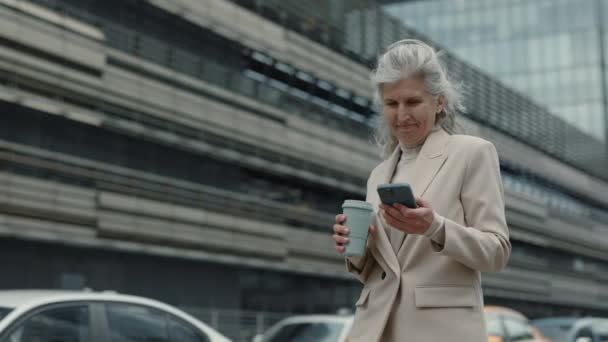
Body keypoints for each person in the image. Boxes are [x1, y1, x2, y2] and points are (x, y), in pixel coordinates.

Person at [332, 39, 511, 342]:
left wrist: (435, 227)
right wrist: (356, 247)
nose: (402, 115)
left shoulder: (472, 153)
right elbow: (380, 272)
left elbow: (497, 252)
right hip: (374, 329)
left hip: (440, 332)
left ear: (439, 102)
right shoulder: (378, 175)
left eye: (413, 102)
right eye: (392, 104)